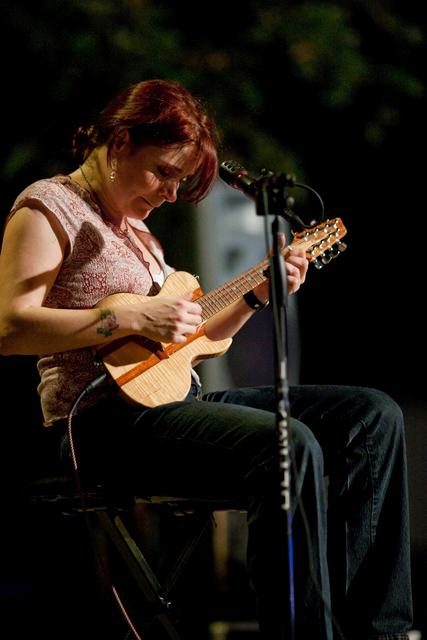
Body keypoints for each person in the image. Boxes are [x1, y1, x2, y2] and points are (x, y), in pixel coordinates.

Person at [0, 78, 413, 640]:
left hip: (173, 401)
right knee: (286, 444)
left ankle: (380, 631)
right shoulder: (48, 207)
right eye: (164, 172)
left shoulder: (143, 237)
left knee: (372, 414)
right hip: (99, 421)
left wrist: (260, 292)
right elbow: (13, 328)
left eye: (181, 180)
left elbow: (196, 341)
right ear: (120, 142)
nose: (171, 193)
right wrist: (127, 318)